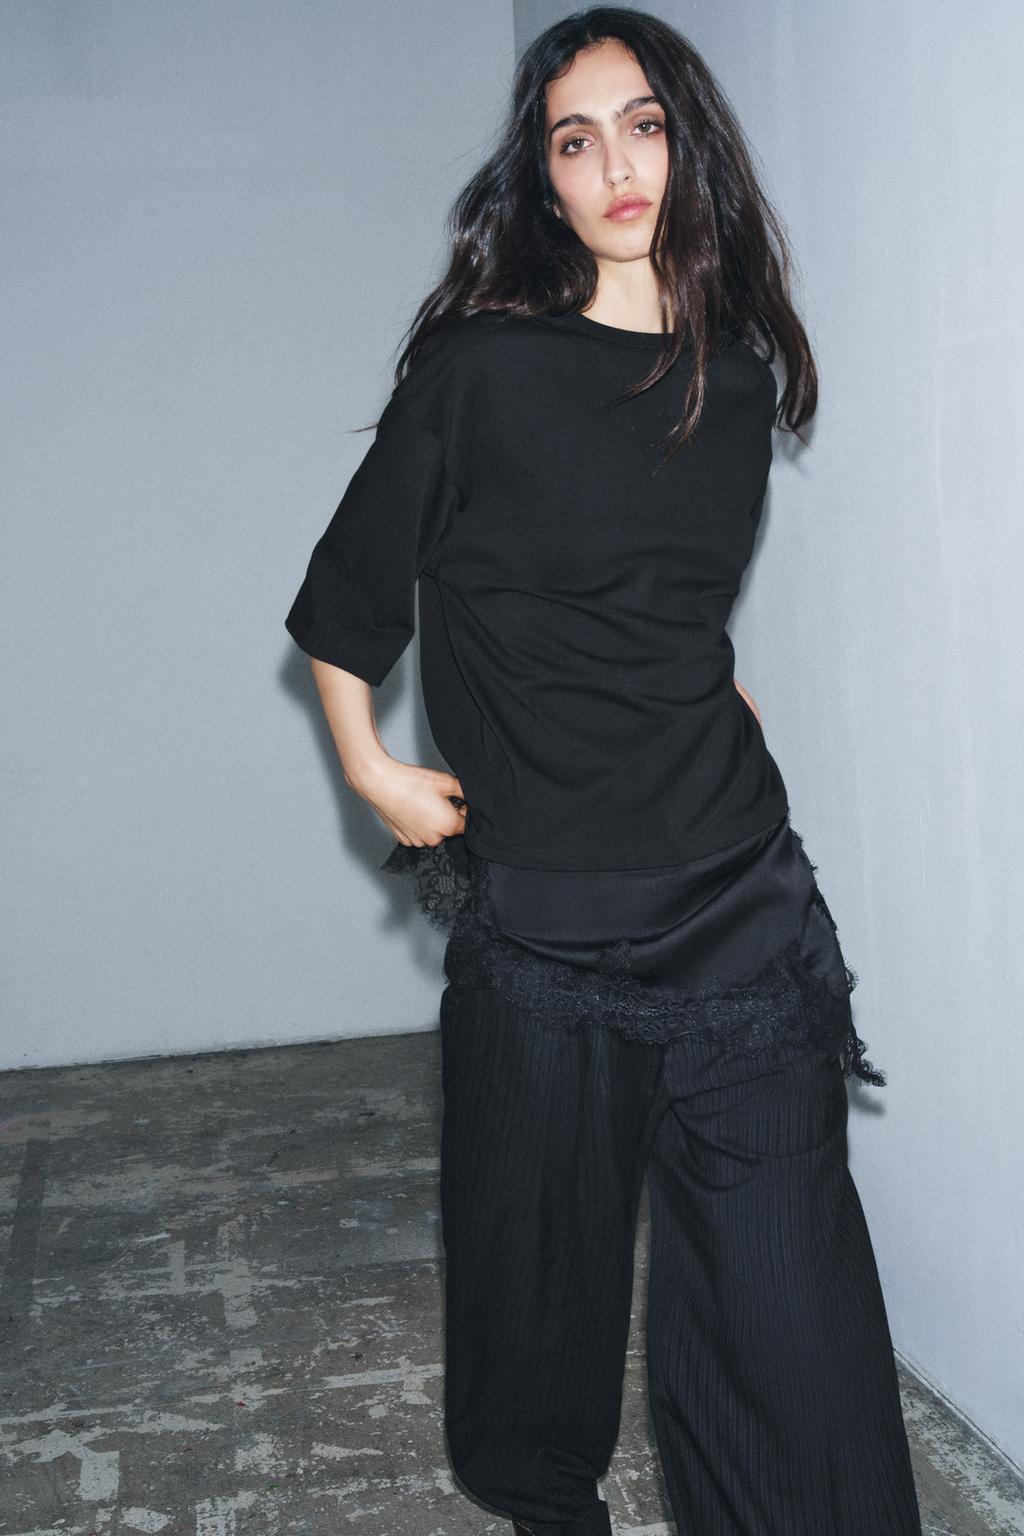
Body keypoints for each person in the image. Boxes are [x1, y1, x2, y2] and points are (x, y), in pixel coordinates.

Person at [283, 8, 923, 1534]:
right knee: (536, 1331)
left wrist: (707, 689)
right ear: (547, 182)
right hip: (550, 929)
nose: (617, 165)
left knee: (792, 1322)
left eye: (643, 126)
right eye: (577, 141)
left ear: (689, 146)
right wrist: (372, 769)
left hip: (741, 904)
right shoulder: (481, 373)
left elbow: (659, 604)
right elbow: (349, 594)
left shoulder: (736, 383)